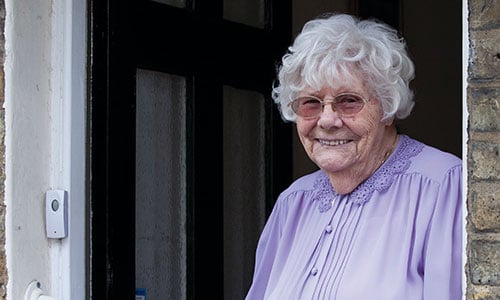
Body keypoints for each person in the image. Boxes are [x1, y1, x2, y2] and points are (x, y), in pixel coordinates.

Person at [245, 13, 462, 300]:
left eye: (348, 101)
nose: (328, 120)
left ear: (387, 106)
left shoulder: (442, 186)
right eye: (311, 102)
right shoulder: (293, 202)